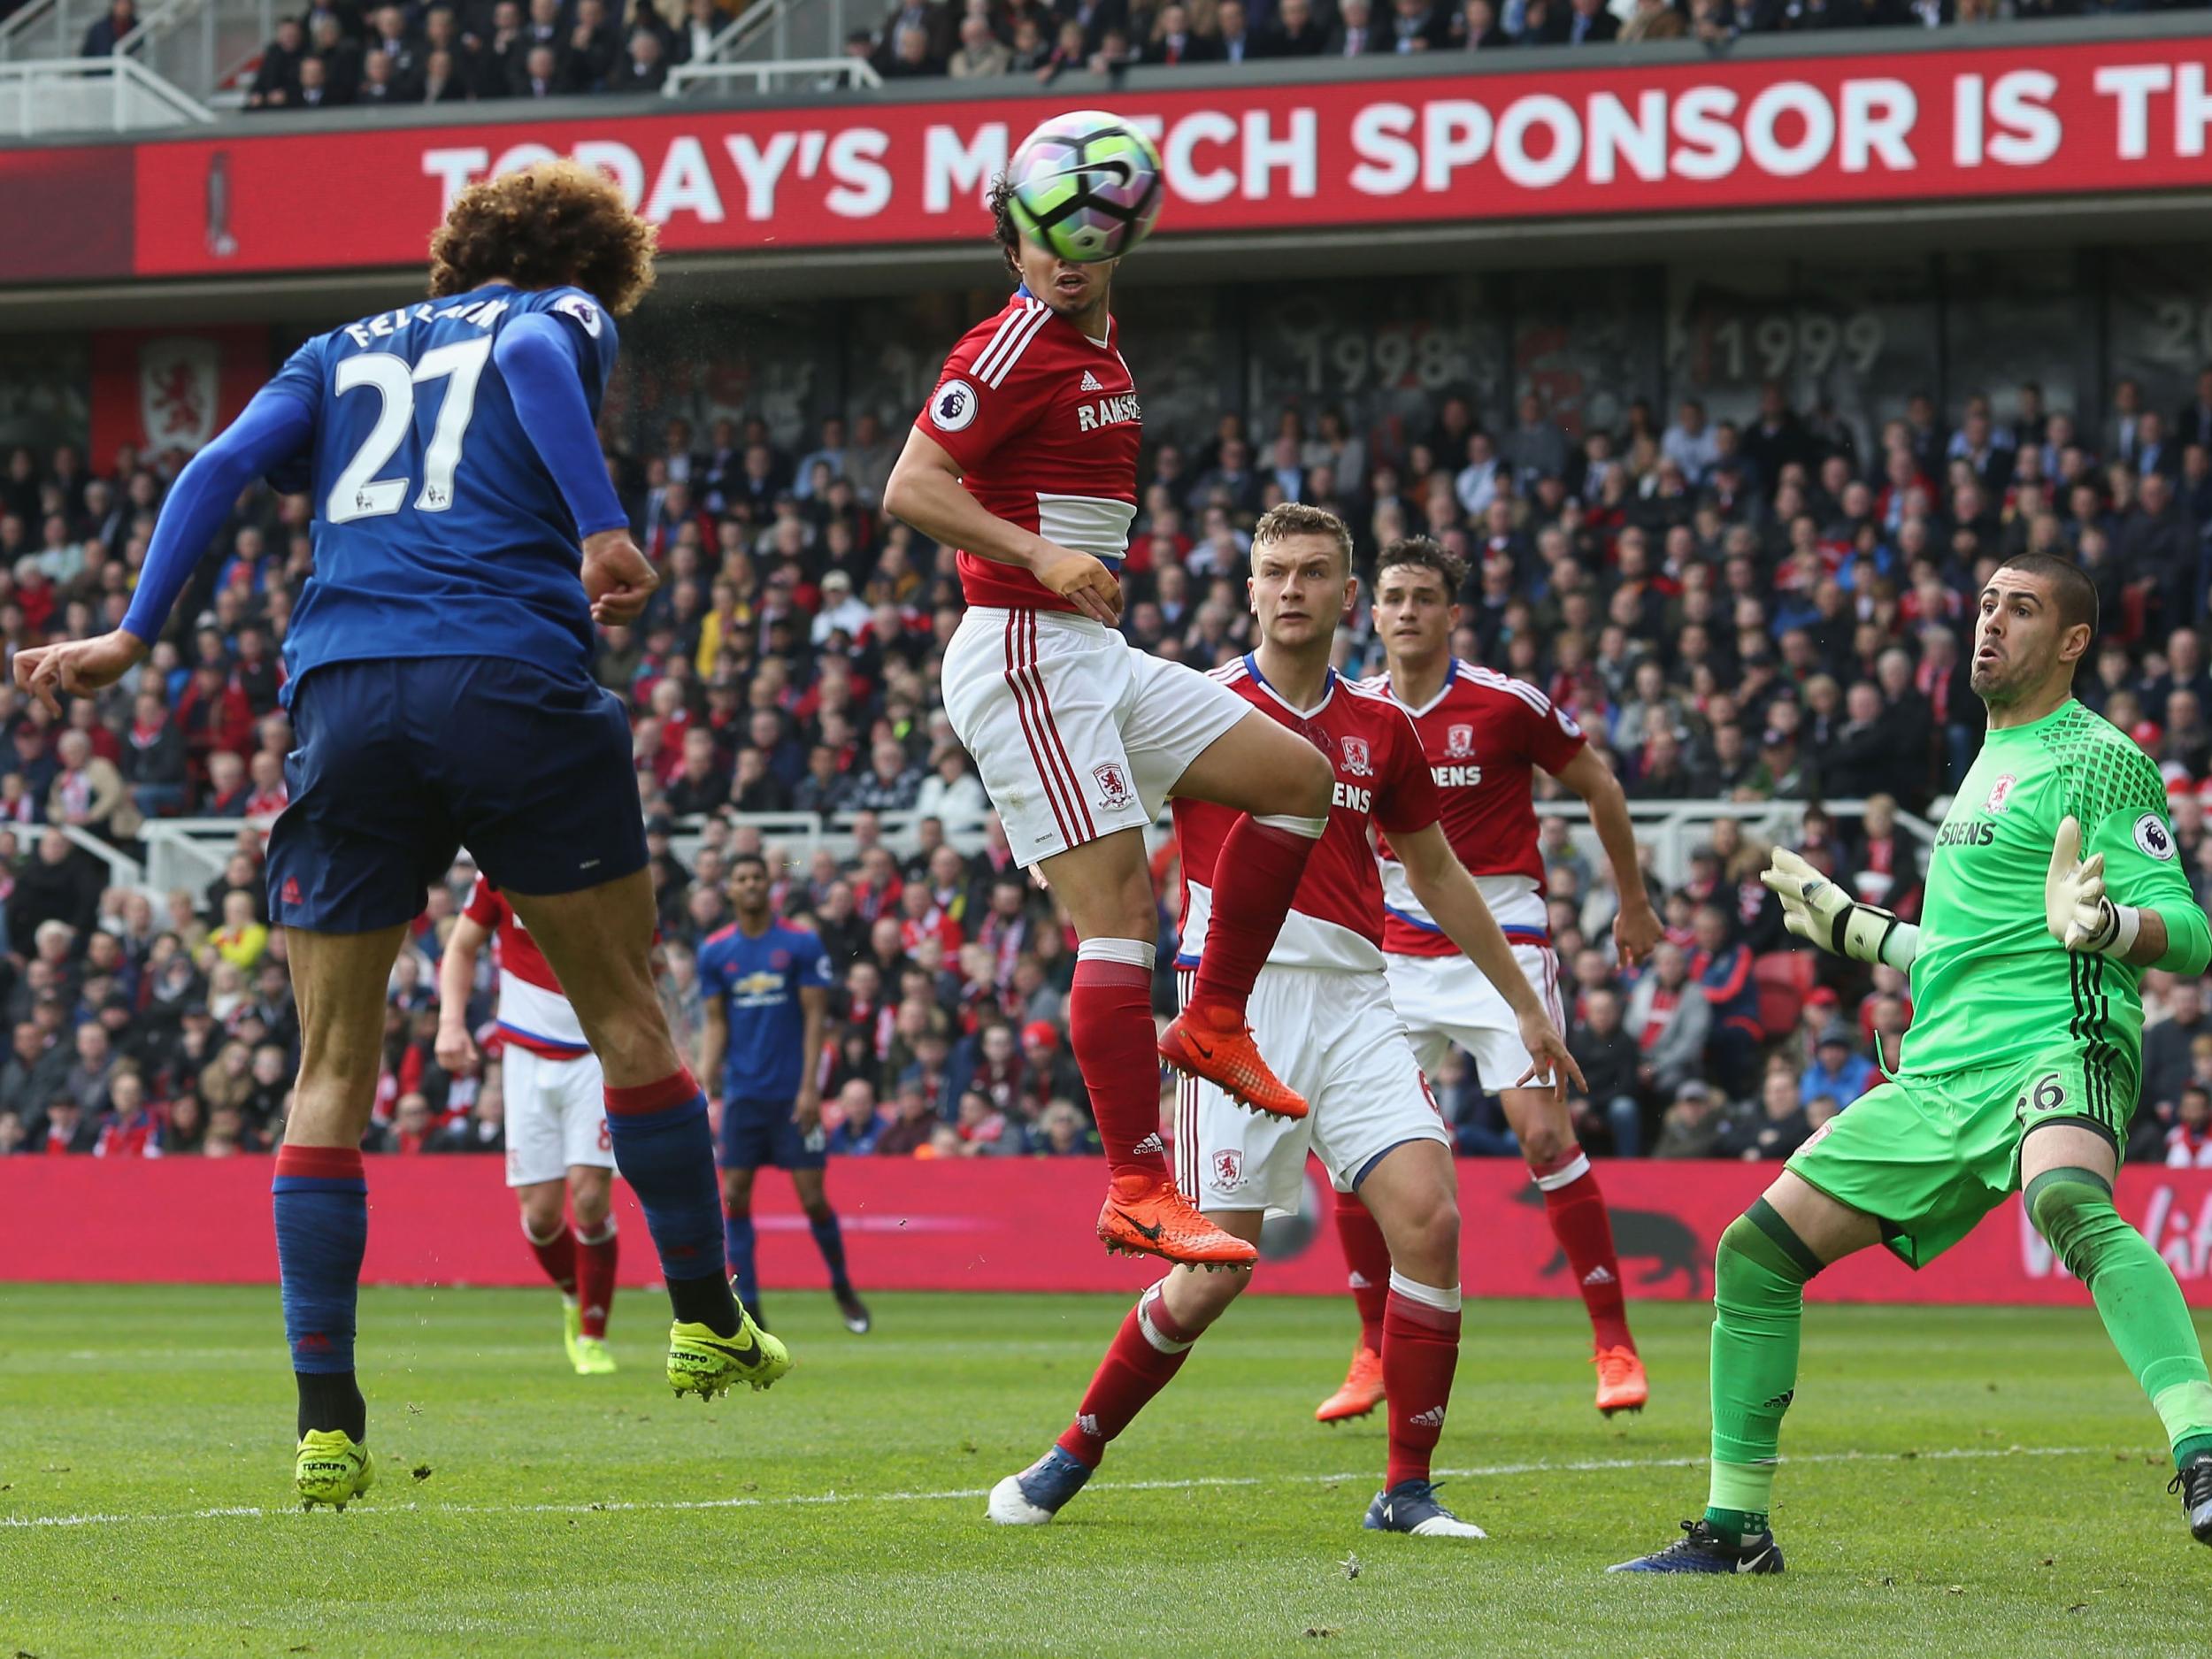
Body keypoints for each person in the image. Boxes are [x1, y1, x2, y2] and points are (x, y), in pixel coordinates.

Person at [13, 161, 787, 1512]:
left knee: (330, 1067)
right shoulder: (558, 313)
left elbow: (215, 463)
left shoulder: (334, 347)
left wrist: (135, 631)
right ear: (592, 265)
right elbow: (545, 356)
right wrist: (601, 529)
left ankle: (326, 1422)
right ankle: (709, 1313)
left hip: (346, 693)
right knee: (630, 1014)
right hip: (507, 680)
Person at [987, 504, 1581, 1539]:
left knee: (1430, 1221)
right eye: (1276, 572)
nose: (1294, 588)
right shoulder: (1196, 706)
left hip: (1356, 1002)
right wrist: (1048, 850)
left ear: (1348, 597)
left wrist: (1523, 1005)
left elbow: (1434, 873)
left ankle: (1405, 1490)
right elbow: (1066, 771)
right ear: (1250, 589)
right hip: (1237, 1008)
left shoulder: (1379, 727)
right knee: (1210, 1276)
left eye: (1314, 572)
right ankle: (1071, 1452)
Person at [1614, 553, 2212, 1573]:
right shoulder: (1985, 759)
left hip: (2054, 1042)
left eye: (2020, 610)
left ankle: (2201, 1448)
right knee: (1752, 1255)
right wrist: (1854, 928)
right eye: (1983, 603)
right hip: (1937, 1075)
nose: (1989, 624)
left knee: (2066, 1198)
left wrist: (2109, 926)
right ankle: (1734, 1528)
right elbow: (1964, 952)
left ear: (2072, 642)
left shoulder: (2098, 757)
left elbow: (2192, 932)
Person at [883, 159, 1336, 1274]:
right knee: (1120, 918)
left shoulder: (1097, 339)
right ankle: (1138, 1186)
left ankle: (1214, 1021)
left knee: (1297, 781)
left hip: (1093, 652)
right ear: (1014, 249)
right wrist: (1041, 554)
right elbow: (911, 486)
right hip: (1027, 652)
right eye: (1050, 251)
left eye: (1090, 249)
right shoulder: (1005, 344)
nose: (1070, 268)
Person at [1324, 535, 1660, 1425]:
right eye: (1392, 596)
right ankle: (1370, 1348)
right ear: (1371, 608)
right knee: (1354, 1151)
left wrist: (1631, 902)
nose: (1405, 611)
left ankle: (1612, 1343)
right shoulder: (1350, 709)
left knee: (1542, 1135)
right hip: (1390, 949)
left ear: (1449, 613)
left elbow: (1599, 784)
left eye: (1423, 597)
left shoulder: (1505, 704)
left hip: (1501, 937)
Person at [437, 872, 622, 1377]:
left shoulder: (600, 860)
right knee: (540, 1216)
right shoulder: (497, 870)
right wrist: (451, 1022)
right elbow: (461, 947)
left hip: (594, 1052)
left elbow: (647, 952)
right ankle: (573, 1292)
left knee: (589, 1197)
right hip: (523, 1056)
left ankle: (593, 1333)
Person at [697, 852, 872, 1336]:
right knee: (733, 1196)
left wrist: (811, 1089)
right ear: (730, 890)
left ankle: (841, 1287)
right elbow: (716, 1023)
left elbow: (816, 1018)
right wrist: (704, 1080)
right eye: (741, 879)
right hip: (745, 1095)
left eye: (757, 877)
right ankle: (749, 1305)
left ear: (769, 886)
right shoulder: (715, 951)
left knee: (812, 1199)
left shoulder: (798, 943)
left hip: (793, 1095)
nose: (750, 885)